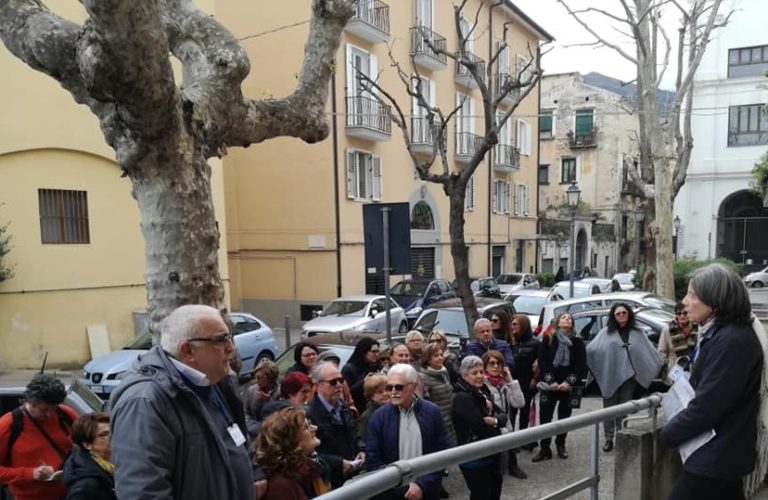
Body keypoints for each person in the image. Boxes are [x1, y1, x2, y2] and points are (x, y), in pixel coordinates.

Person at [110, 304, 259, 500]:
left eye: (230, 337)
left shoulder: (216, 380)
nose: (231, 348)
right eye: (221, 340)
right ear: (188, 351)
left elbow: (236, 437)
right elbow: (144, 492)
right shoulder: (144, 402)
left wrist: (254, 471)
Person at [661, 264, 764, 500]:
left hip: (716, 455)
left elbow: (709, 405)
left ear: (716, 300)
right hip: (722, 455)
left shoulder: (731, 341)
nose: (685, 301)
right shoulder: (724, 333)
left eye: (693, 295)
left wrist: (669, 433)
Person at [366, 364, 451, 500]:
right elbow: (372, 458)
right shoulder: (378, 417)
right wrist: (401, 487)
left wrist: (421, 485)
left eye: (399, 387)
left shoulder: (432, 411)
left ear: (413, 386)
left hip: (427, 491)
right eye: (389, 387)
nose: (393, 392)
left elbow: (442, 452)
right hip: (391, 493)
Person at [586, 303, 663, 452]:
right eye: (618, 313)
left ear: (629, 314)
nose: (621, 315)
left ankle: (621, 436)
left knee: (624, 408)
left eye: (624, 313)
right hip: (610, 375)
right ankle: (608, 439)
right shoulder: (606, 332)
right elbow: (592, 349)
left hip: (630, 378)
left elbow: (648, 352)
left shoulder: (638, 333)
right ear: (613, 316)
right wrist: (603, 364)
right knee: (608, 409)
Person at [0, 373, 77, 500]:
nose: (49, 414)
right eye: (44, 409)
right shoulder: (8, 425)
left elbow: (86, 441)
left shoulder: (64, 413)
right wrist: (31, 473)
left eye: (53, 408)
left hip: (68, 492)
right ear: (30, 402)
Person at [532, 312, 586, 462]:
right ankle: (544, 448)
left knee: (565, 417)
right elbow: (542, 362)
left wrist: (568, 382)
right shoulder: (548, 339)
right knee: (545, 417)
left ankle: (561, 444)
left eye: (570, 318)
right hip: (549, 384)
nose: (567, 319)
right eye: (564, 317)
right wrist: (551, 381)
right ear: (557, 322)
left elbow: (581, 364)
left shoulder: (577, 342)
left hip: (568, 385)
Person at [452, 356, 506, 500]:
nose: (480, 376)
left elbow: (503, 415)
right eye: (474, 373)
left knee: (495, 492)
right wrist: (497, 425)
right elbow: (480, 428)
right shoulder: (462, 398)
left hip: (490, 452)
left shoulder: (481, 391)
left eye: (481, 372)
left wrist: (494, 421)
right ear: (464, 375)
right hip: (474, 458)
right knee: (481, 495)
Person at [305, 361, 364, 489]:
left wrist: (361, 450)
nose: (339, 385)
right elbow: (308, 453)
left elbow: (354, 435)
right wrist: (338, 463)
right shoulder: (309, 414)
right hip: (329, 481)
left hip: (352, 476)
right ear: (318, 385)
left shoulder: (343, 407)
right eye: (333, 382)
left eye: (341, 380)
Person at [256, 407, 331, 499]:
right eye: (306, 427)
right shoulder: (281, 486)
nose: (315, 428)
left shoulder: (309, 468)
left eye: (310, 424)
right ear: (290, 440)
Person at [481, 351, 526, 479]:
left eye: (499, 363)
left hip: (506, 423)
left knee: (510, 445)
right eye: (492, 363)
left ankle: (513, 466)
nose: (496, 366)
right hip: (492, 424)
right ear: (485, 366)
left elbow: (519, 403)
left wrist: (511, 381)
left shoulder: (504, 384)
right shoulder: (482, 385)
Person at [62, 412, 116, 500]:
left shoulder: (115, 466)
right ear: (87, 445)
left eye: (113, 431)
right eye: (104, 434)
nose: (112, 437)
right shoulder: (86, 487)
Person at [509, 314, 539, 446]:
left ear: (523, 325)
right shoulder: (511, 342)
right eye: (512, 324)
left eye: (515, 324)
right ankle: (511, 440)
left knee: (525, 411)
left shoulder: (535, 343)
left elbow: (540, 364)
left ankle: (523, 439)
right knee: (511, 412)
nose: (512, 326)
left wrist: (535, 379)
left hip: (527, 382)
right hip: (512, 382)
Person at [419, 343, 457, 447]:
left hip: (451, 420)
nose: (440, 358)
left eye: (441, 355)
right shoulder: (423, 378)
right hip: (438, 423)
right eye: (436, 356)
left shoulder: (444, 372)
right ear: (428, 358)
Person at [657, 302, 699, 384]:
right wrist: (668, 366)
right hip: (675, 371)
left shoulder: (697, 328)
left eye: (685, 313)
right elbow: (661, 352)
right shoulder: (667, 330)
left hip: (693, 371)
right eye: (679, 313)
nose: (682, 316)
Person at [342, 337, 382, 413]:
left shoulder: (376, 366)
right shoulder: (349, 368)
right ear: (364, 352)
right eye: (374, 352)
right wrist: (364, 381)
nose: (377, 354)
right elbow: (347, 393)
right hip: (358, 410)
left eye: (378, 352)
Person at [244, 358, 280, 437]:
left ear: (270, 378)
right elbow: (246, 412)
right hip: (253, 429)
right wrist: (249, 425)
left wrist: (268, 402)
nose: (257, 381)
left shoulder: (280, 392)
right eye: (256, 377)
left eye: (260, 378)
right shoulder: (252, 390)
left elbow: (280, 416)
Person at [356, 373, 389, 445]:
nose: (385, 394)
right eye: (380, 392)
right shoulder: (367, 416)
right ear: (371, 396)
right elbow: (363, 441)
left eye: (387, 389)